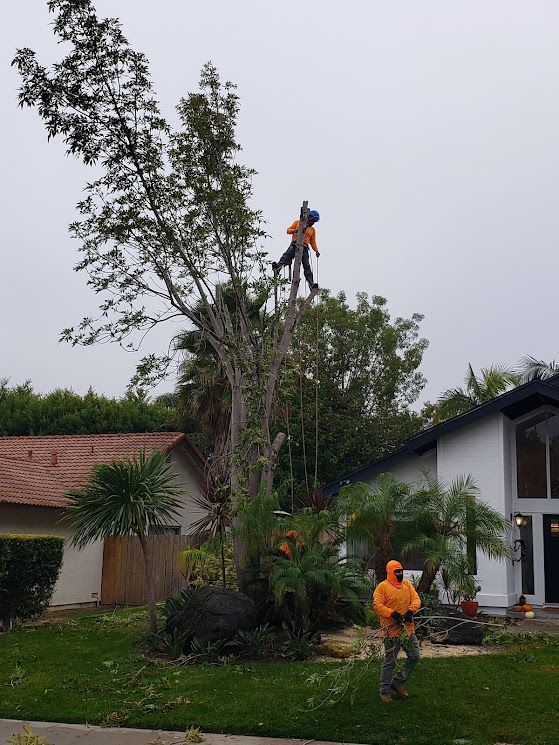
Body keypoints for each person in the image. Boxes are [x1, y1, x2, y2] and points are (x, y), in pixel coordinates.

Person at [373, 560, 421, 703]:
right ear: (390, 572)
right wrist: (392, 613)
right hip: (391, 632)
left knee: (415, 656)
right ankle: (384, 691)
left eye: (401, 571)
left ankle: (398, 682)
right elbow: (377, 605)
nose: (400, 574)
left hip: (407, 630)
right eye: (397, 572)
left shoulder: (407, 585)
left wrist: (411, 611)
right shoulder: (382, 587)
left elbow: (416, 599)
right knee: (390, 661)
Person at [272, 210, 320, 288]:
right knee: (286, 256)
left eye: (314, 222)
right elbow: (288, 230)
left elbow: (313, 242)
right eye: (312, 221)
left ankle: (311, 284)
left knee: (307, 266)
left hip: (304, 248)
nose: (313, 223)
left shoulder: (312, 230)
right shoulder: (298, 223)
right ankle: (278, 268)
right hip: (295, 244)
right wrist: (295, 230)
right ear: (309, 217)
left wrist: (316, 251)